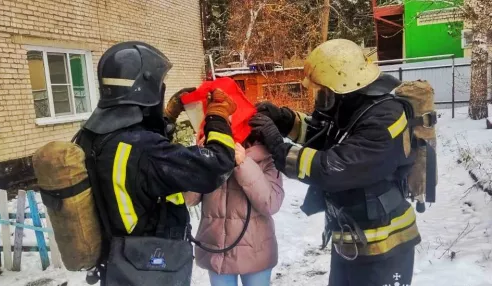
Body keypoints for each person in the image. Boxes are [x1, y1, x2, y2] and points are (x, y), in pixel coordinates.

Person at [249, 39, 421, 286]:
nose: (321, 97)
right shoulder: (353, 106)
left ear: (344, 85)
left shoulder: (385, 118)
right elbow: (324, 135)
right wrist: (283, 120)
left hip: (384, 249)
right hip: (354, 240)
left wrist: (279, 147)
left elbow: (332, 167)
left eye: (324, 91)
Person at [75, 41, 237, 284]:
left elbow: (143, 159)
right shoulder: (143, 149)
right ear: (145, 88)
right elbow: (216, 165)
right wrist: (218, 117)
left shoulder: (92, 136)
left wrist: (168, 116)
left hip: (120, 263)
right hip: (151, 267)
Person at [184, 131, 284, 286]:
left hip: (255, 252)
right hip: (217, 251)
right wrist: (200, 161)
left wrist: (244, 164)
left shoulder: (266, 158)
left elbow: (271, 203)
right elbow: (189, 199)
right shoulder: (212, 152)